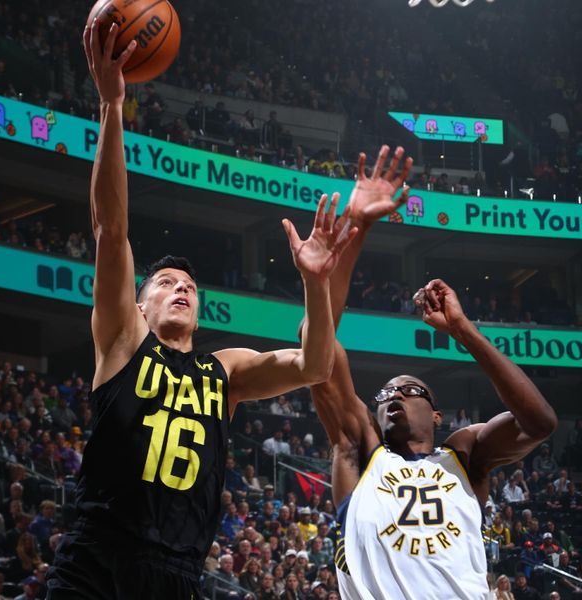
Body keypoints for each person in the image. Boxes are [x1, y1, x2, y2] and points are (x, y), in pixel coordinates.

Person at [48, 21, 357, 600]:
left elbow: (315, 367)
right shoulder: (121, 342)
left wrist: (316, 285)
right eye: (165, 282)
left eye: (189, 285)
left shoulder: (225, 371)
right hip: (97, 558)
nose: (181, 288)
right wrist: (112, 104)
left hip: (176, 574)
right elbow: (111, 229)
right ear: (139, 305)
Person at [308, 147, 557, 600]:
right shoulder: (359, 451)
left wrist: (464, 331)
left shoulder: (464, 456)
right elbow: (317, 346)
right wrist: (357, 226)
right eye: (383, 395)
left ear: (438, 415)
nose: (391, 396)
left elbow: (539, 423)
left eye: (407, 390)